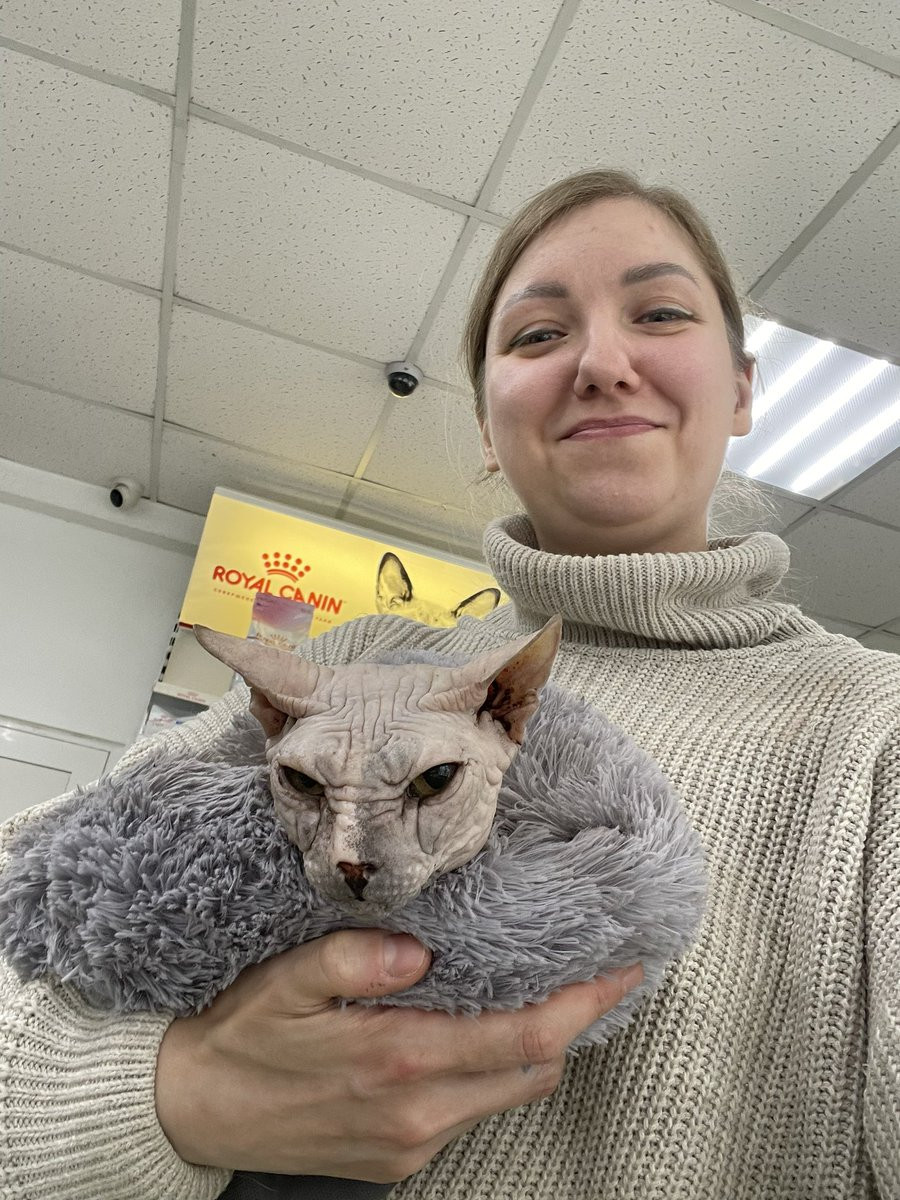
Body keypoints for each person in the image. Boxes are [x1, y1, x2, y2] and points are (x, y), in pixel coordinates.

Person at [1, 167, 898, 1200]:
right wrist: (162, 1097)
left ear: (740, 388)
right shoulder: (353, 659)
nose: (603, 364)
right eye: (538, 335)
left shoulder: (874, 728)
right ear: (484, 422)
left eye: (659, 314)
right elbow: (31, 897)